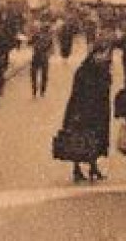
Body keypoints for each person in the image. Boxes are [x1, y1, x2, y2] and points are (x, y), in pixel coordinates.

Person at [58, 42, 113, 183]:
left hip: (99, 110)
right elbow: (77, 93)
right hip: (82, 109)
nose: (103, 57)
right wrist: (76, 112)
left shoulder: (104, 71)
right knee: (79, 138)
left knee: (96, 138)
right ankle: (76, 169)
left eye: (104, 54)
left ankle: (93, 166)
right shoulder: (83, 71)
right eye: (100, 54)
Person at [29, 19, 54, 98]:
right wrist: (48, 54)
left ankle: (34, 89)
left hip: (36, 56)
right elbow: (51, 49)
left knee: (33, 74)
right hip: (44, 58)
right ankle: (42, 91)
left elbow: (29, 42)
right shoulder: (49, 37)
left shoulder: (36, 35)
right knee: (44, 75)